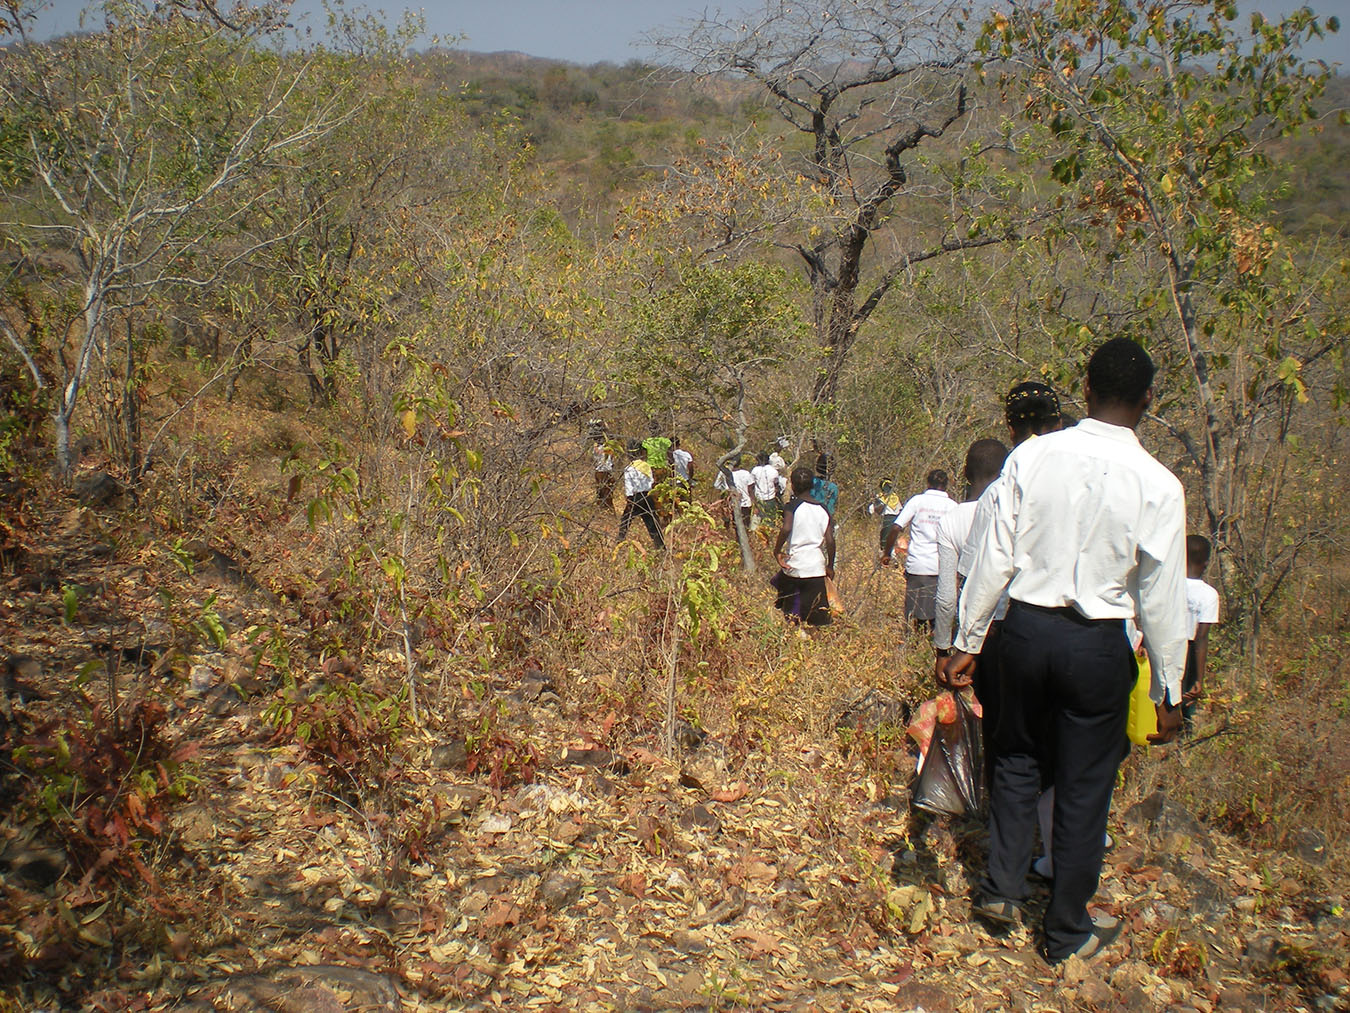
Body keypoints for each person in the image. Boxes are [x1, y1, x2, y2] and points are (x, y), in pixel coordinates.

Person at [943, 337, 1188, 964]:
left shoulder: (1034, 458)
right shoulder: (1159, 484)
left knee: (1017, 760)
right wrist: (1169, 688)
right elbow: (1161, 598)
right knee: (1084, 786)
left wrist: (967, 641)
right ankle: (1065, 931)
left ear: (1085, 390)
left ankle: (999, 890)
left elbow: (997, 554)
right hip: (1098, 643)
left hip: (1025, 631)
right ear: (1147, 401)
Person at [933, 441, 1008, 673]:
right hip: (1012, 628)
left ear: (966, 473)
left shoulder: (950, 520)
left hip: (970, 633)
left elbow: (946, 597)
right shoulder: (1012, 509)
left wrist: (943, 650)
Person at [884, 470, 955, 627]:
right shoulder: (952, 506)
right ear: (945, 486)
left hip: (917, 565)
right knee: (936, 615)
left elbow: (896, 527)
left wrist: (886, 553)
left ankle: (910, 645)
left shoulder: (917, 501)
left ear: (928, 484)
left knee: (913, 615)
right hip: (940, 567)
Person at [772, 466, 836, 626]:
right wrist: (830, 565)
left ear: (792, 486)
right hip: (816, 567)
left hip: (795, 567)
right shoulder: (823, 509)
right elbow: (830, 540)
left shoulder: (792, 507)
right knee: (817, 618)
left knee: (792, 615)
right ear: (813, 485)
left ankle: (796, 640)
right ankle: (815, 645)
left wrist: (777, 551)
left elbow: (786, 528)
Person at [1183, 535, 1220, 731]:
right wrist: (1199, 678)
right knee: (1186, 704)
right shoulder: (1208, 595)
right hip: (1188, 653)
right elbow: (1201, 638)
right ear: (1206, 563)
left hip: (1163, 647)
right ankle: (1181, 748)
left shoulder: (1166, 588)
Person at [617, 441, 664, 549]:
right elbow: (651, 482)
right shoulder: (646, 466)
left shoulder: (629, 468)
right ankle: (660, 547)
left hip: (634, 498)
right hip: (648, 497)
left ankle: (619, 544)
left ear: (629, 454)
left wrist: (629, 501)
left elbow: (629, 488)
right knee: (652, 524)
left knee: (625, 521)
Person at [867, 479, 902, 552]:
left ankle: (885, 559)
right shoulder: (895, 497)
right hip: (897, 521)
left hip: (887, 520)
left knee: (884, 541)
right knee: (892, 540)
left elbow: (872, 509)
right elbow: (900, 511)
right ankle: (893, 557)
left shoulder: (881, 497)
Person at [750, 452, 782, 526]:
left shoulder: (755, 470)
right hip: (771, 499)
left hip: (759, 499)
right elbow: (776, 485)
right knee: (770, 521)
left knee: (757, 522)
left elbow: (751, 487)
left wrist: (753, 501)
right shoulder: (774, 471)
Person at [589, 421, 615, 507]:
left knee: (604, 494)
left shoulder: (604, 445)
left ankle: (606, 513)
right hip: (603, 471)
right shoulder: (600, 446)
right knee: (604, 495)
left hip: (603, 471)